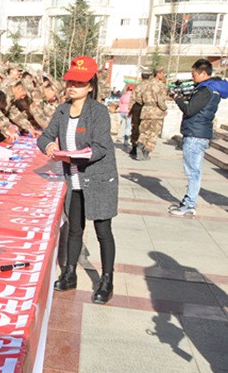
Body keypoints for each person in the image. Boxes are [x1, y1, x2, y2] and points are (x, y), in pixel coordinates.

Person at [37, 56, 118, 304]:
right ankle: (69, 273)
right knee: (74, 228)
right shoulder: (62, 110)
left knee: (103, 231)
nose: (72, 87)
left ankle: (107, 280)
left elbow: (101, 147)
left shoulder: (98, 112)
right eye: (70, 82)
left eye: (79, 83)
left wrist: (72, 156)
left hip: (98, 178)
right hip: (74, 179)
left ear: (90, 86)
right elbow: (44, 136)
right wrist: (49, 145)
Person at [169, 59, 228, 217]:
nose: (192, 77)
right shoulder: (211, 89)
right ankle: (188, 201)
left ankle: (189, 204)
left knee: (192, 172)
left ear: (203, 73)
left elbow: (190, 110)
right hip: (199, 133)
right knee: (193, 170)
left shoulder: (205, 90)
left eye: (194, 74)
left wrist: (177, 99)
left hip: (195, 134)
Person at [131, 67, 168, 161]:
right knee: (153, 134)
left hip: (145, 111)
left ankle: (139, 146)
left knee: (143, 132)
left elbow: (138, 98)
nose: (163, 75)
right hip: (156, 112)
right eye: (163, 73)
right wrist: (164, 109)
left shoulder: (145, 84)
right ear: (158, 73)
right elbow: (161, 100)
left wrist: (145, 104)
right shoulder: (161, 85)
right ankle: (146, 152)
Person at [118, 83, 134, 149]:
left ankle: (113, 138)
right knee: (127, 127)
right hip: (128, 113)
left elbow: (119, 102)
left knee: (118, 126)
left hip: (121, 112)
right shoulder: (132, 96)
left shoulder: (124, 95)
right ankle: (126, 141)